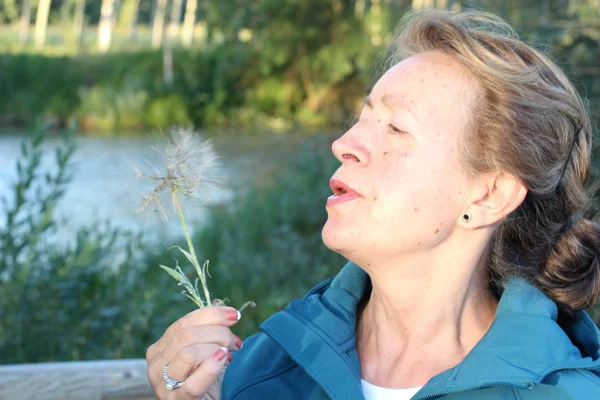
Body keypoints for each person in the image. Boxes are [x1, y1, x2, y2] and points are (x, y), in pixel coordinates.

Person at [146, 9, 600, 400]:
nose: (344, 143)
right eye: (362, 119)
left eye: (396, 129)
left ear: (488, 195)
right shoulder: (263, 369)